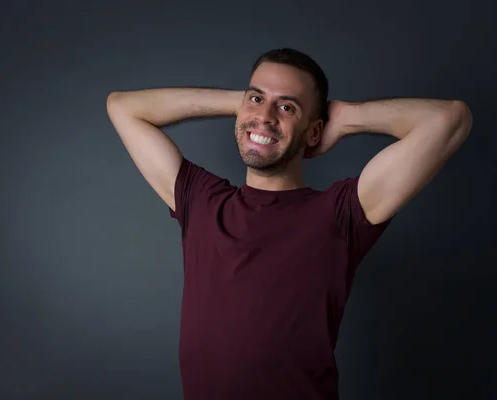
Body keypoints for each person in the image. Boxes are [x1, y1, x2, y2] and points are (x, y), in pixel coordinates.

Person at [106, 48, 473, 399]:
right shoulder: (202, 202)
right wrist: (241, 103)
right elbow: (122, 107)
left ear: (313, 132)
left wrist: (345, 117)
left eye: (287, 106)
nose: (265, 117)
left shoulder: (341, 212)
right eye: (257, 98)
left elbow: (449, 119)